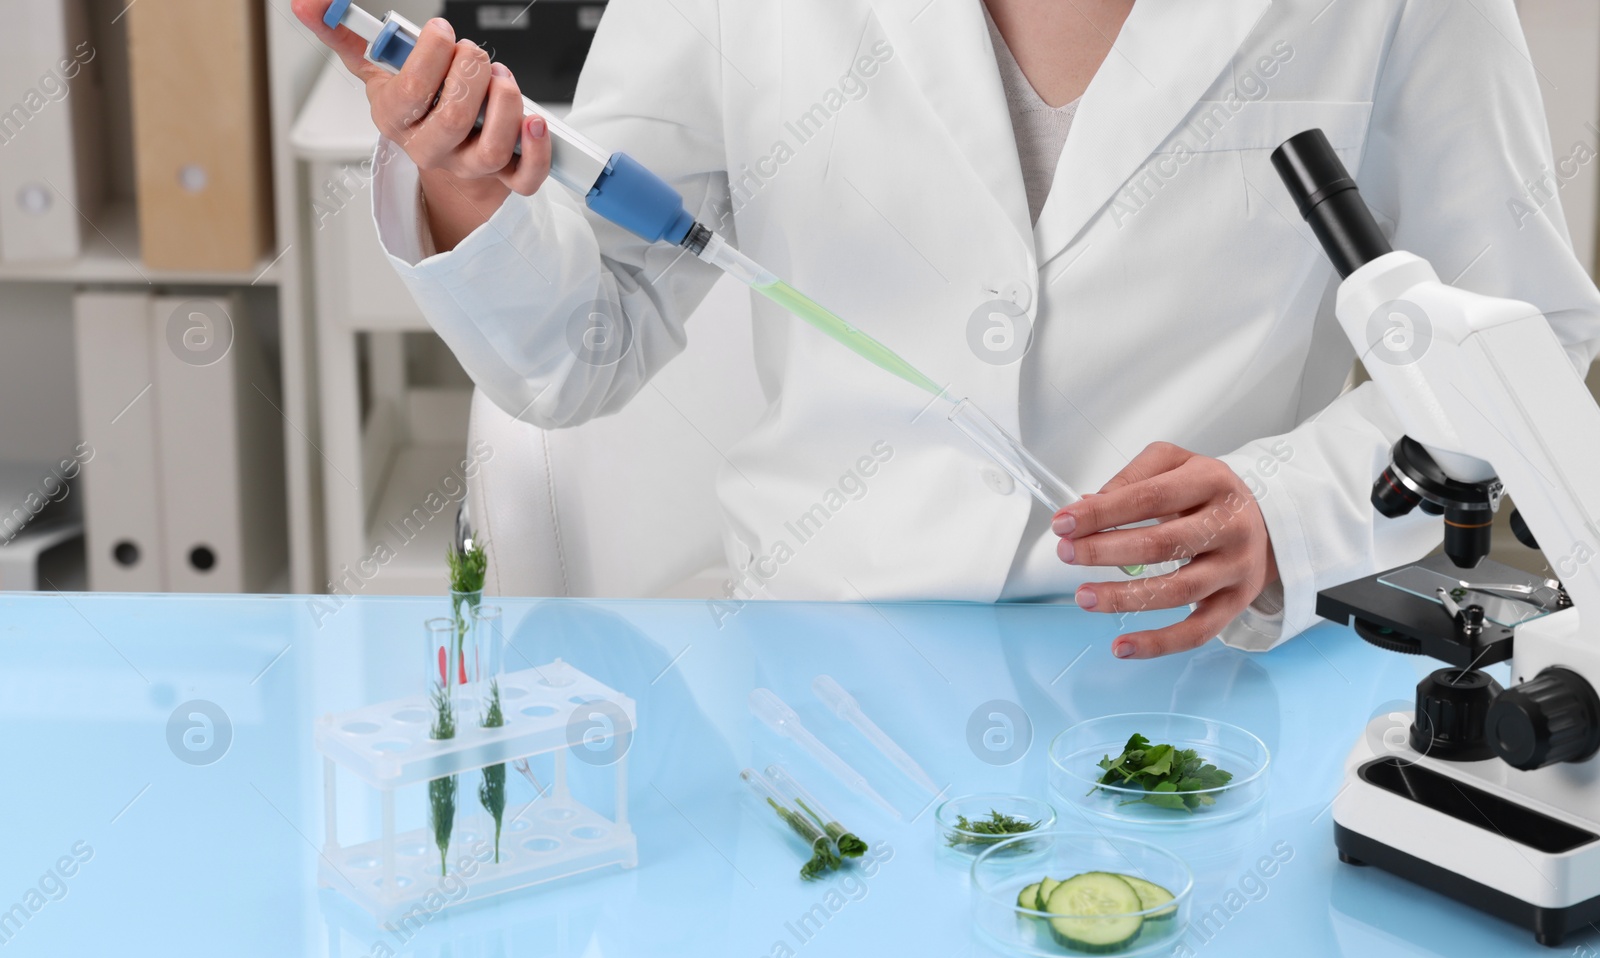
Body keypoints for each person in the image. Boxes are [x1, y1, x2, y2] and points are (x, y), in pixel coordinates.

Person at [293, 0, 1600, 658]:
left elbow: (1520, 332)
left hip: (1211, 675)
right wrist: (465, 179)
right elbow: (578, 350)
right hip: (837, 679)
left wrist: (1288, 512)